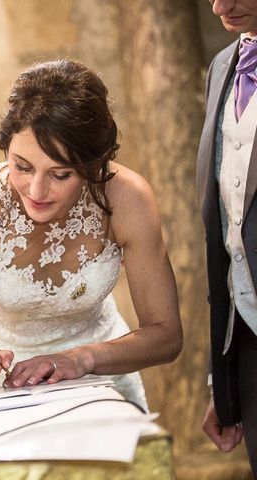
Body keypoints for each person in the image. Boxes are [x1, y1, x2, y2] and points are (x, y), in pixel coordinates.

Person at [0, 59, 183, 411]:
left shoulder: (127, 200)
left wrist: (83, 359)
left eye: (60, 174)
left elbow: (166, 336)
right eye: (21, 166)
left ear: (94, 166)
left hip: (102, 378)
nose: (36, 190)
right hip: (3, 392)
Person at [198, 0, 257, 472]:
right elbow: (224, 231)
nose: (221, 6)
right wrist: (224, 380)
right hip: (249, 345)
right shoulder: (222, 67)